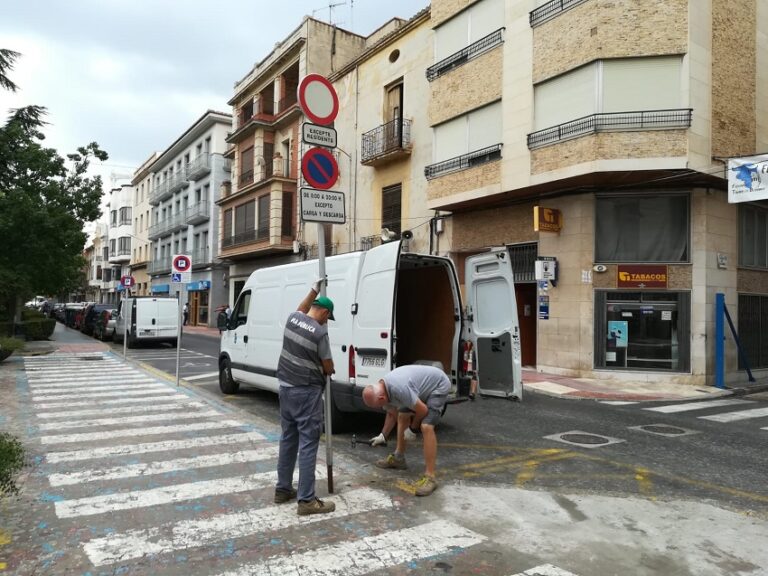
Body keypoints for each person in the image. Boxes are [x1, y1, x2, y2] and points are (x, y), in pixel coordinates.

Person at [274, 278, 336, 516]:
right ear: (325, 313)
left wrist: (313, 289)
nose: (326, 322)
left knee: (288, 439)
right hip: (307, 392)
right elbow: (328, 366)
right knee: (308, 444)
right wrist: (329, 369)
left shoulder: (293, 319)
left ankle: (283, 489)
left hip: (286, 389)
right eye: (327, 317)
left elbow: (302, 307)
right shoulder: (320, 334)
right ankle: (307, 500)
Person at [362, 364, 451, 497]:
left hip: (438, 384)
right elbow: (392, 413)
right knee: (402, 415)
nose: (380, 408)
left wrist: (413, 428)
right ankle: (399, 458)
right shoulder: (383, 389)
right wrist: (383, 435)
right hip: (420, 388)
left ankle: (430, 477)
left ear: (381, 398)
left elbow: (423, 410)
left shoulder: (399, 389)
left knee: (426, 426)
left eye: (378, 405)